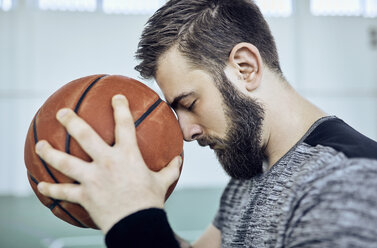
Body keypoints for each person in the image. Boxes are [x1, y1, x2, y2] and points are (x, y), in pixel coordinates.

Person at [35, 0, 377, 247]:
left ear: (245, 67)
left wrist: (135, 225)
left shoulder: (349, 183)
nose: (185, 132)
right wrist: (126, 204)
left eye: (189, 103)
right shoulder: (251, 172)